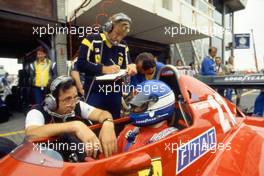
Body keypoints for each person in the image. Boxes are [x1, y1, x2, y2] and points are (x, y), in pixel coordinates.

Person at [25, 76, 117, 158]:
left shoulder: (77, 104)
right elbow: (31, 132)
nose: (73, 104)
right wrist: (76, 126)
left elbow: (102, 114)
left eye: (75, 97)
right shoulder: (37, 112)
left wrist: (108, 124)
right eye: (67, 99)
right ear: (51, 101)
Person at [77, 13, 137, 119]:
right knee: (94, 124)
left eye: (122, 36)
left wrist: (132, 67)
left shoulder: (123, 45)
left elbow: (128, 64)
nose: (118, 39)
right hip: (94, 91)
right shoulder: (91, 39)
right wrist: (104, 69)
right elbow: (80, 64)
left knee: (114, 122)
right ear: (108, 27)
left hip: (115, 93)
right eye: (117, 33)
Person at [117, 80, 178, 152]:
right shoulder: (128, 130)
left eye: (140, 104)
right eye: (136, 102)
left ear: (156, 106)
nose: (134, 107)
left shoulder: (171, 139)